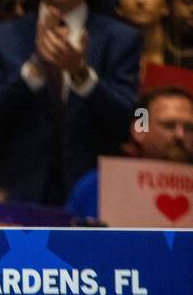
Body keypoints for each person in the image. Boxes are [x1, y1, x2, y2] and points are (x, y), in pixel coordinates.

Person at [0, 0, 141, 204]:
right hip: (20, 190)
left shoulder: (120, 38)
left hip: (95, 192)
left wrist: (82, 75)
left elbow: (129, 120)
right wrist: (34, 70)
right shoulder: (4, 36)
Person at [65, 86, 193, 219]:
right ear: (139, 129)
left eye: (189, 128)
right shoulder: (98, 186)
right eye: (169, 125)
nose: (180, 135)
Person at [115, 0, 172, 68]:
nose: (140, 0)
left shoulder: (186, 55)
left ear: (165, 6)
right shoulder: (105, 55)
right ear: (119, 8)